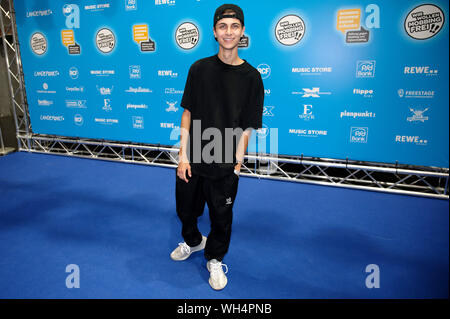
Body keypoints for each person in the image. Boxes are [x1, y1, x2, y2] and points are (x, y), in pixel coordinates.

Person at [170, 4, 264, 290]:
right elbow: (187, 113)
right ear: (214, 31)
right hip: (193, 158)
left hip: (224, 163)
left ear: (242, 31)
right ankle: (194, 242)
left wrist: (236, 166)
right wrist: (183, 156)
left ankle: (214, 259)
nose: (228, 32)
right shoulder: (199, 69)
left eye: (234, 27)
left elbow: (248, 126)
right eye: (223, 26)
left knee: (221, 218)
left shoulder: (252, 78)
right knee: (186, 211)